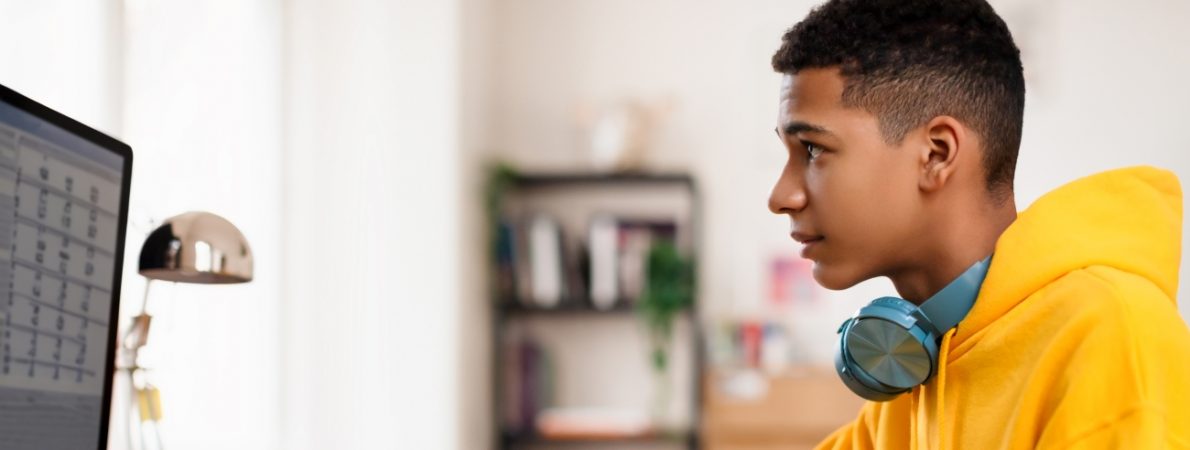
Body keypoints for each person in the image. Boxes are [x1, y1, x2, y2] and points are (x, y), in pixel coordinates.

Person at [765, 0, 1190, 448]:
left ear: (937, 154)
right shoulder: (913, 376)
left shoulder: (1113, 341)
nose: (780, 197)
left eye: (812, 149)